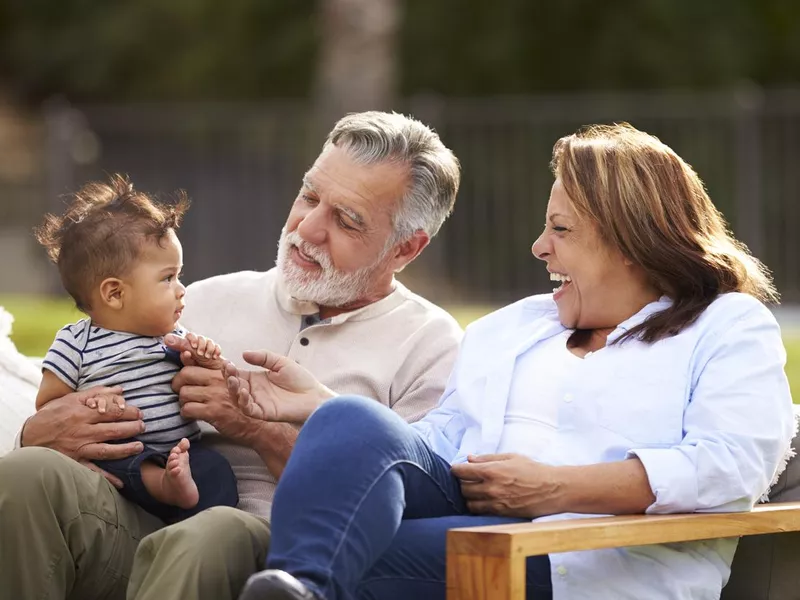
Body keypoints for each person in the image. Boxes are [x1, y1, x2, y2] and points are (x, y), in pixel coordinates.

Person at [232, 123, 796, 600]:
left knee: (360, 554)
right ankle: (300, 587)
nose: (539, 247)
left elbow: (731, 466)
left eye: (561, 228)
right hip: (473, 507)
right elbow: (444, 439)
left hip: (591, 560)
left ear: (631, 242)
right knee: (348, 419)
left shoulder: (726, 326)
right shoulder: (518, 325)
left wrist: (556, 489)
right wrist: (329, 413)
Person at [0, 110, 463, 600]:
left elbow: (402, 514)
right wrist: (42, 432)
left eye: (347, 220)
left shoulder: (431, 347)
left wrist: (254, 429)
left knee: (214, 532)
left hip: (275, 558)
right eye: (309, 196)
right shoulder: (200, 299)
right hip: (146, 519)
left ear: (405, 249)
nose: (308, 228)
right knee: (26, 474)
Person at [33, 174, 238, 523]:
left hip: (182, 451)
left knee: (216, 470)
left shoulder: (171, 336)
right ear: (114, 293)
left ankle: (196, 528)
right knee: (119, 462)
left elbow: (202, 378)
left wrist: (204, 357)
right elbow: (48, 407)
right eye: (167, 277)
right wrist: (92, 401)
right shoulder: (75, 343)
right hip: (123, 459)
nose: (181, 289)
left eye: (179, 275)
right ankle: (165, 486)